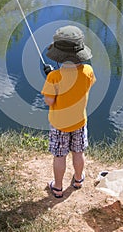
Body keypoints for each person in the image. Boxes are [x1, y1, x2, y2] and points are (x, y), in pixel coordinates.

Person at [41, 25, 96, 198]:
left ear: (59, 54)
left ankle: (57, 187)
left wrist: (52, 77)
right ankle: (78, 180)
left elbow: (49, 100)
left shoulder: (54, 77)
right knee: (78, 152)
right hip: (79, 121)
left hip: (59, 125)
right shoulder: (88, 71)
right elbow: (88, 83)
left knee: (60, 155)